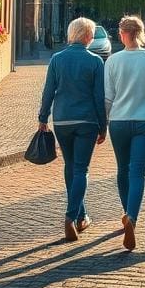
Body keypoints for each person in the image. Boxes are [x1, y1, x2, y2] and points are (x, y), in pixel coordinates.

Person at [37, 16, 107, 242]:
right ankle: (70, 216)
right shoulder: (95, 61)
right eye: (92, 34)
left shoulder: (57, 59)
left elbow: (48, 90)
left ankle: (81, 216)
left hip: (62, 121)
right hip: (86, 121)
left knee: (71, 166)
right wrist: (103, 125)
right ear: (87, 36)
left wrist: (42, 117)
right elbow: (98, 97)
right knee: (81, 169)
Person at [105, 14, 145, 251]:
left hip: (119, 123)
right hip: (144, 123)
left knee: (122, 169)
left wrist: (103, 124)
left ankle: (126, 214)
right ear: (140, 33)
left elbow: (108, 98)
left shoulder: (112, 61)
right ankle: (132, 216)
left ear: (123, 34)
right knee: (138, 172)